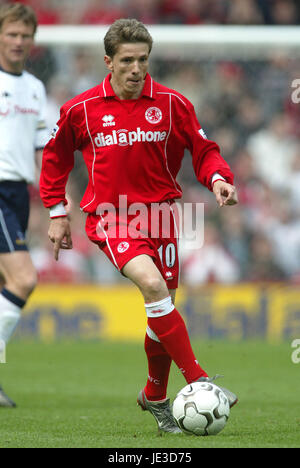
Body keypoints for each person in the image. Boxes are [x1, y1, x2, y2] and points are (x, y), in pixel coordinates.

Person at [40, 19, 238, 433]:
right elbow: (55, 159)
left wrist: (219, 178)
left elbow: (203, 151)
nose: (136, 68)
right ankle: (200, 380)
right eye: (127, 60)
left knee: (159, 309)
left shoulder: (171, 104)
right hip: (112, 217)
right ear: (108, 62)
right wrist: (58, 212)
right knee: (153, 287)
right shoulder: (82, 109)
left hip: (162, 216)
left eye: (143, 60)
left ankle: (154, 395)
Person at [0, 3, 48, 407]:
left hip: (19, 193)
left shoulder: (34, 87)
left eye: (24, 35)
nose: (18, 41)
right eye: (11, 33)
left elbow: (41, 150)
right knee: (24, 278)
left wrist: (57, 200)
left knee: (4, 286)